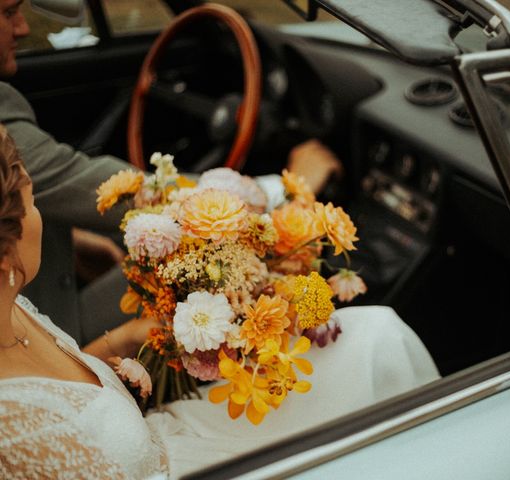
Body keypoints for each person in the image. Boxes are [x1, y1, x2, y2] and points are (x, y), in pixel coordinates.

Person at [0, 125, 440, 478]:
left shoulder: (11, 305)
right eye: (34, 204)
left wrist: (134, 337)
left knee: (376, 336)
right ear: (5, 258)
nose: (44, 218)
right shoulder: (10, 432)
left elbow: (68, 382)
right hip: (184, 462)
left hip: (161, 439)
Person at [0, 0, 343, 346]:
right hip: (40, 327)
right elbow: (77, 180)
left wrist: (71, 243)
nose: (24, 27)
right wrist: (284, 189)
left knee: (200, 263)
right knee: (224, 262)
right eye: (8, 12)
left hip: (28, 289)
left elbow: (40, 189)